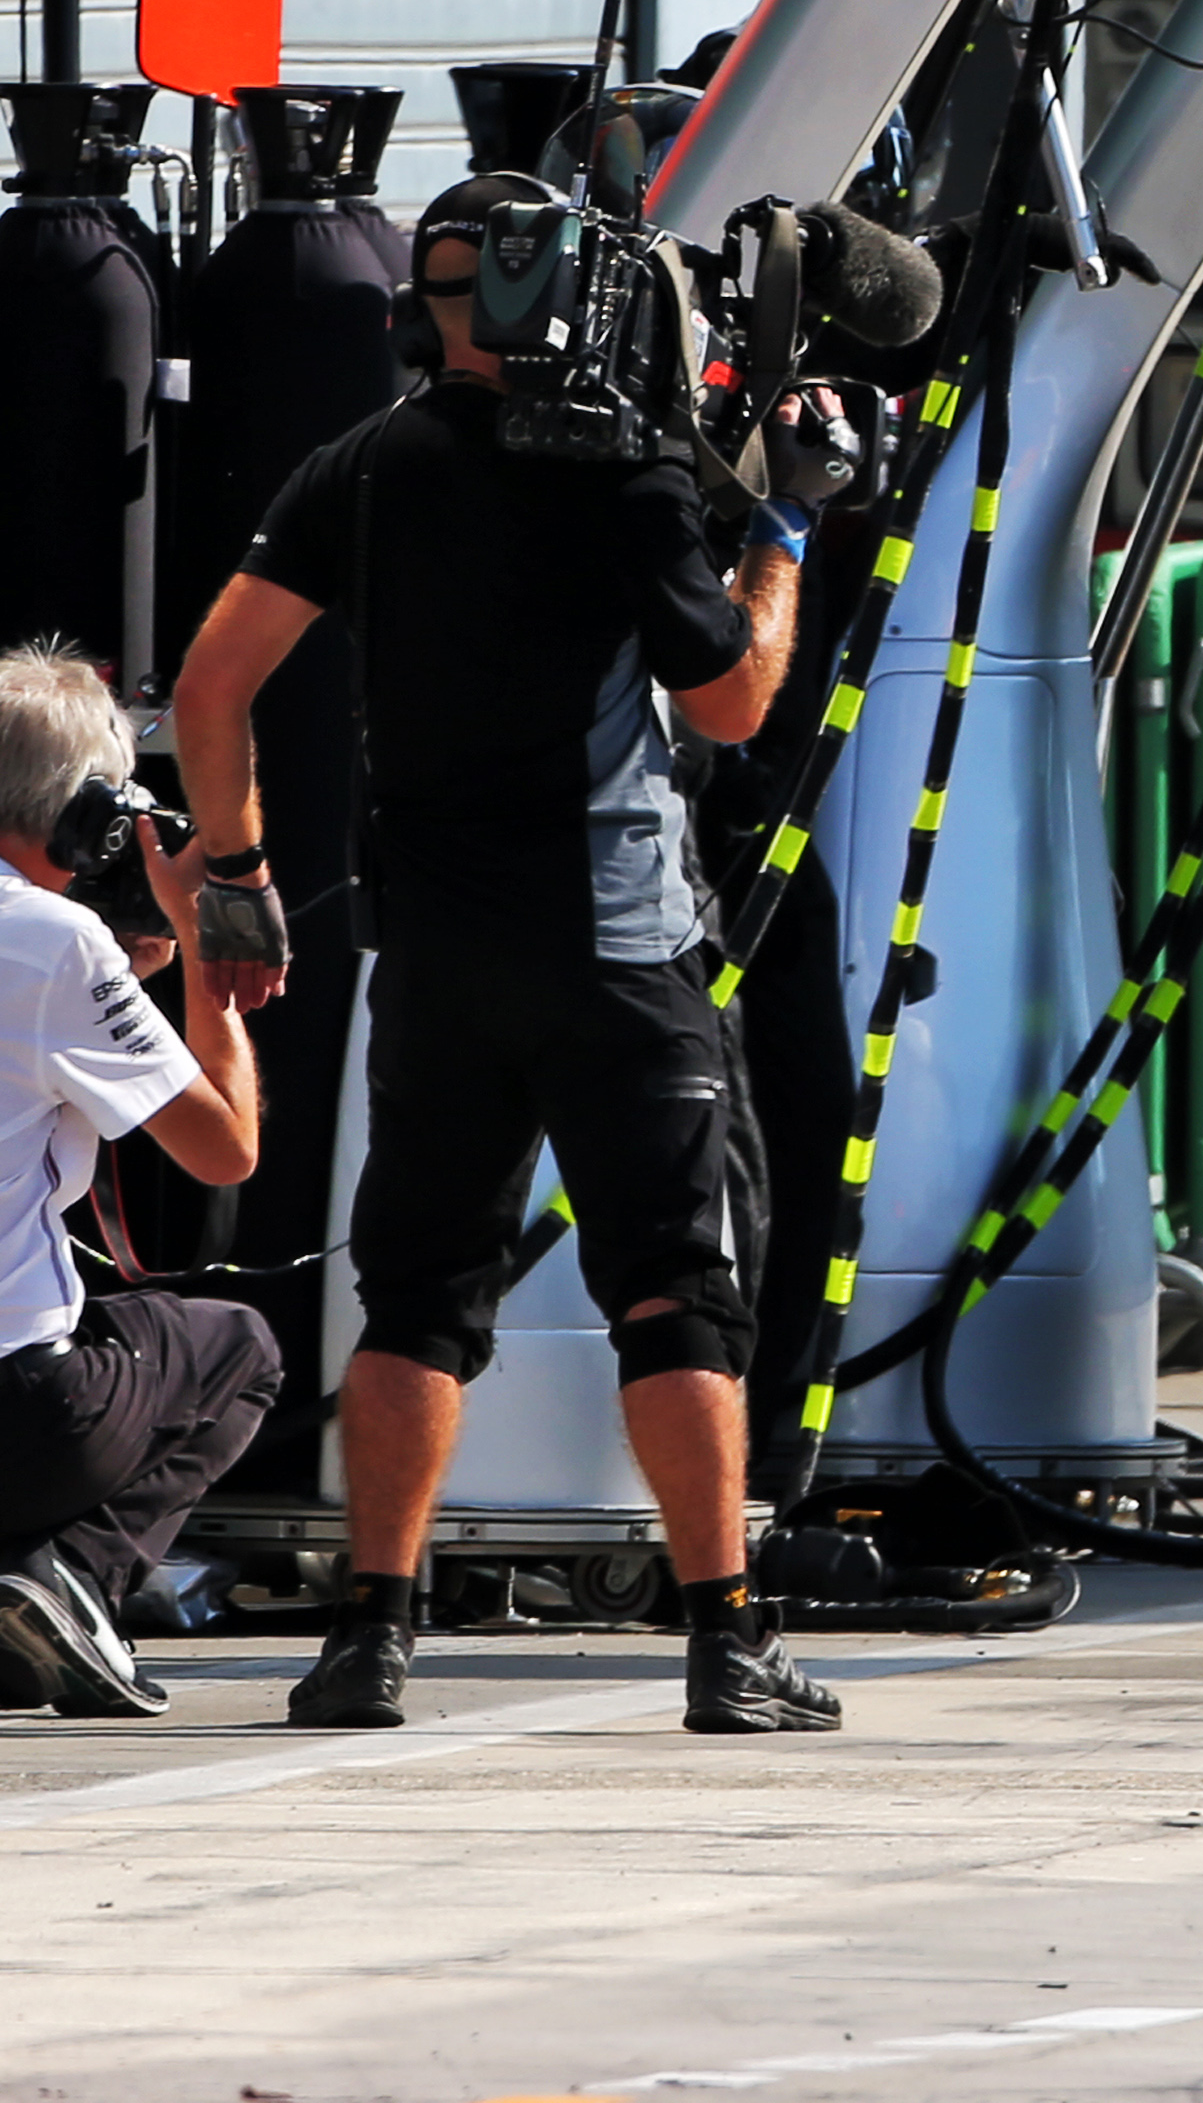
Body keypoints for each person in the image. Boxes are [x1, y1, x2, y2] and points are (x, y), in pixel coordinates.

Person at [166, 170, 855, 1737]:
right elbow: (735, 702)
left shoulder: (366, 463)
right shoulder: (627, 471)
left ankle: (368, 1637)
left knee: (416, 1294)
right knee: (678, 1294)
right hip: (618, 953)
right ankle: (724, 1642)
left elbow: (213, 686)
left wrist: (240, 873)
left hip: (439, 964)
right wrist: (793, 522)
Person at [0, 643, 271, 1721]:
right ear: (90, 819)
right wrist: (209, 961)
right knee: (233, 1347)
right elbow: (225, 1148)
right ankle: (75, 1579)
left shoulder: (67, 950)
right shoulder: (55, 943)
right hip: (18, 1407)